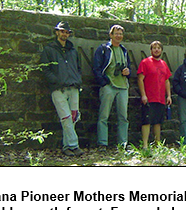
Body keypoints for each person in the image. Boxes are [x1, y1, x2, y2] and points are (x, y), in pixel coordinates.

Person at [40, 21, 84, 156]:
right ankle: (74, 145)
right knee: (65, 117)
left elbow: (78, 68)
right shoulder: (49, 49)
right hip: (58, 89)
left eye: (67, 32)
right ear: (57, 32)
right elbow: (45, 69)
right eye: (62, 31)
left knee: (73, 117)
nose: (64, 34)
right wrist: (56, 81)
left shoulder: (73, 51)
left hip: (73, 87)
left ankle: (67, 147)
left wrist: (77, 80)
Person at [92, 25, 131, 150]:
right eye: (116, 33)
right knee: (104, 115)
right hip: (109, 86)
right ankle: (102, 143)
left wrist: (127, 71)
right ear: (111, 35)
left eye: (120, 34)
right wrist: (104, 82)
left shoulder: (124, 50)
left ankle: (123, 143)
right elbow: (97, 68)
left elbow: (128, 66)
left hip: (123, 86)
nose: (118, 36)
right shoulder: (103, 49)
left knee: (123, 117)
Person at [137, 41, 172, 149]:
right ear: (151, 50)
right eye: (154, 48)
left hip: (160, 98)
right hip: (148, 98)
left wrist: (169, 96)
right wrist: (143, 95)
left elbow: (167, 81)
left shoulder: (164, 64)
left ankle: (158, 144)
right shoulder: (145, 62)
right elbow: (140, 79)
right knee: (147, 121)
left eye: (158, 48)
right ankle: (145, 145)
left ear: (161, 50)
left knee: (158, 122)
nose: (156, 50)